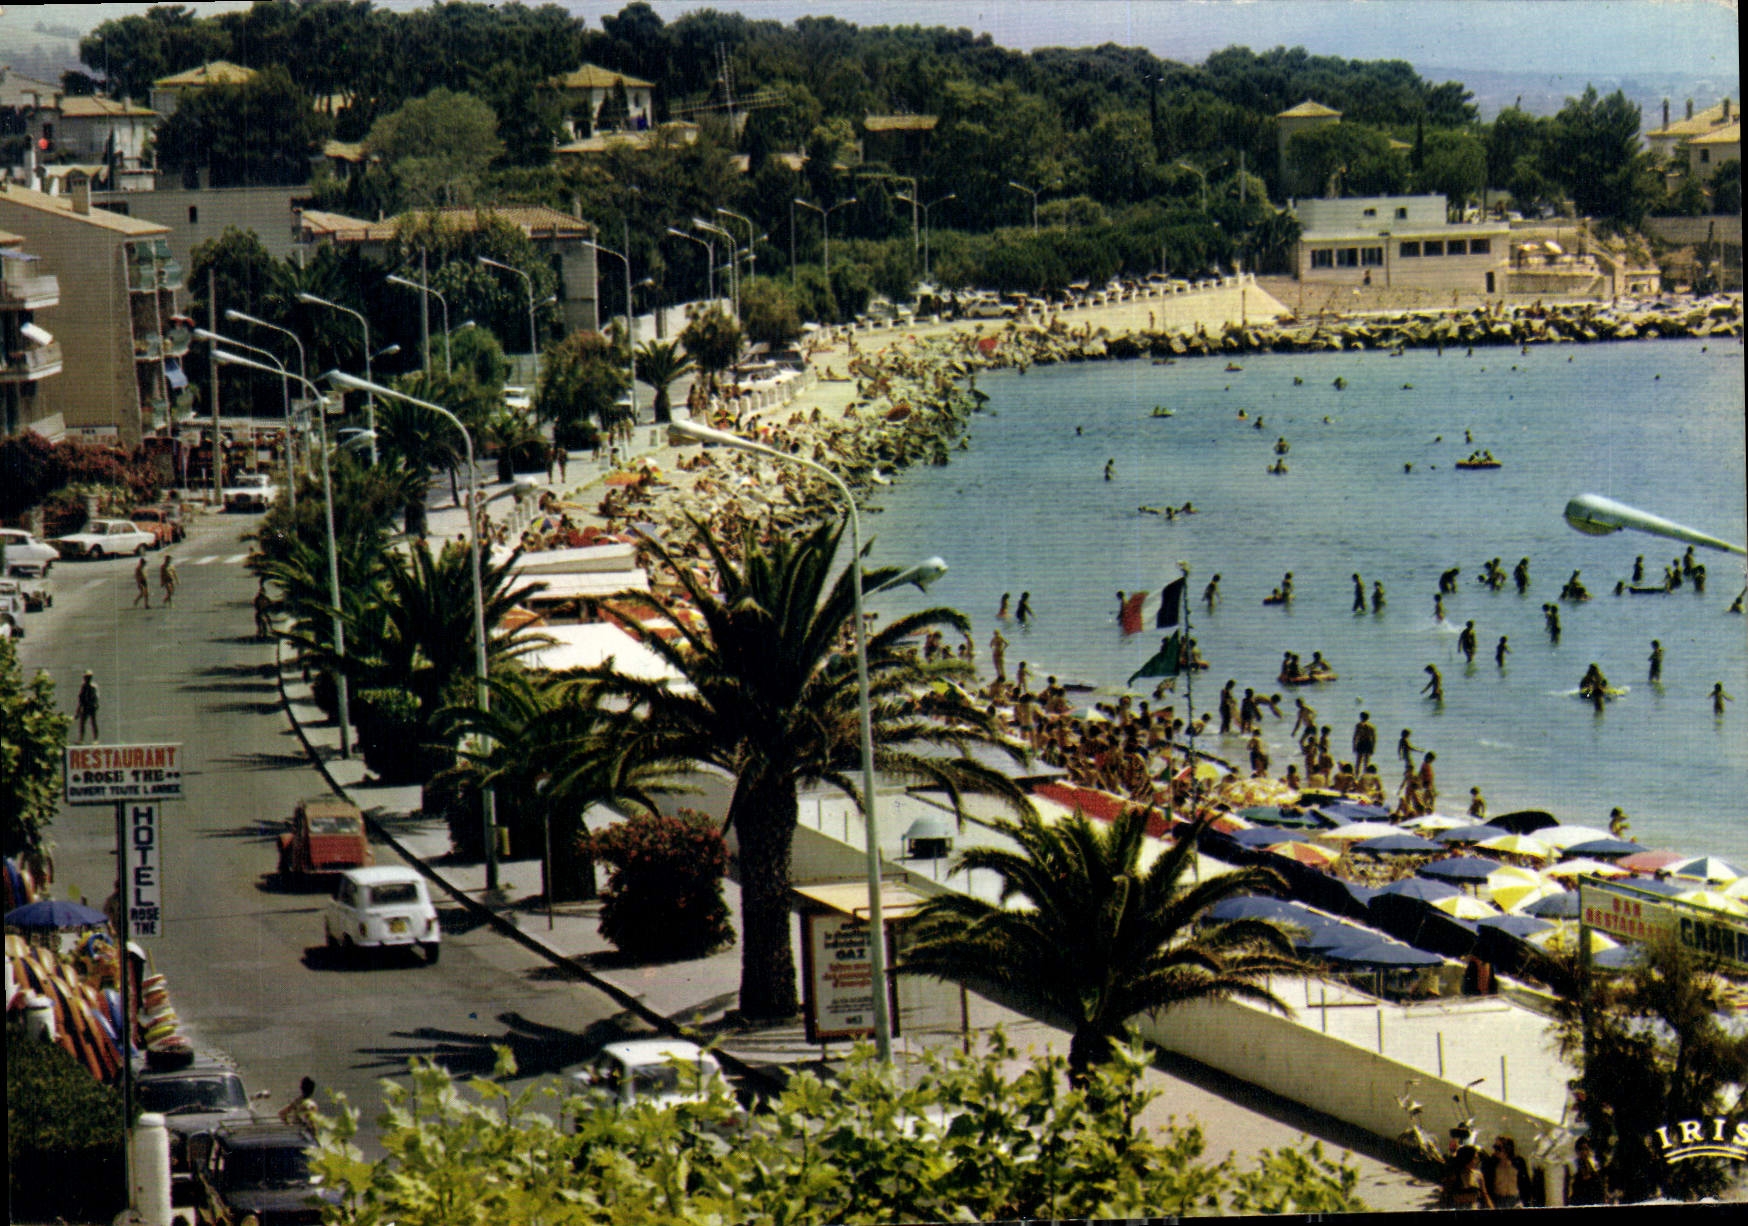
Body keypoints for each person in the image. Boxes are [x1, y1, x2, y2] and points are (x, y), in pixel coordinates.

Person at [1485, 1136, 1530, 1209]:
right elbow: (1487, 1186)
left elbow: (1525, 1184)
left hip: (1515, 1200)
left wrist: (1526, 1202)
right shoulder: (1491, 1164)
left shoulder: (1518, 1162)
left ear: (1507, 1149)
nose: (1495, 1151)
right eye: (1495, 1147)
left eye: (1498, 1148)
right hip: (1499, 1200)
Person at [1443, 1144, 1491, 1209]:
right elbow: (1447, 1195)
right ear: (1467, 1159)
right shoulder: (1454, 1175)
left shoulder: (1478, 1175)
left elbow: (1485, 1195)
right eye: (1474, 1158)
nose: (1477, 1161)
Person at [1565, 1135, 1608, 1205]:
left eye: (1586, 1149)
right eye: (1581, 1149)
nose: (1584, 1152)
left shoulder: (1595, 1167)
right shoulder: (1573, 1168)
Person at [75, 671, 100, 743]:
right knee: (82, 723)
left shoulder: (93, 686)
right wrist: (78, 711)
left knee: (93, 723)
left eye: (88, 677)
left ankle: (96, 739)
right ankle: (81, 739)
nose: (86, 679)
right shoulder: (83, 686)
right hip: (85, 706)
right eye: (86, 677)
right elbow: (81, 699)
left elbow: (96, 697)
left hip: (91, 707)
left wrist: (95, 705)